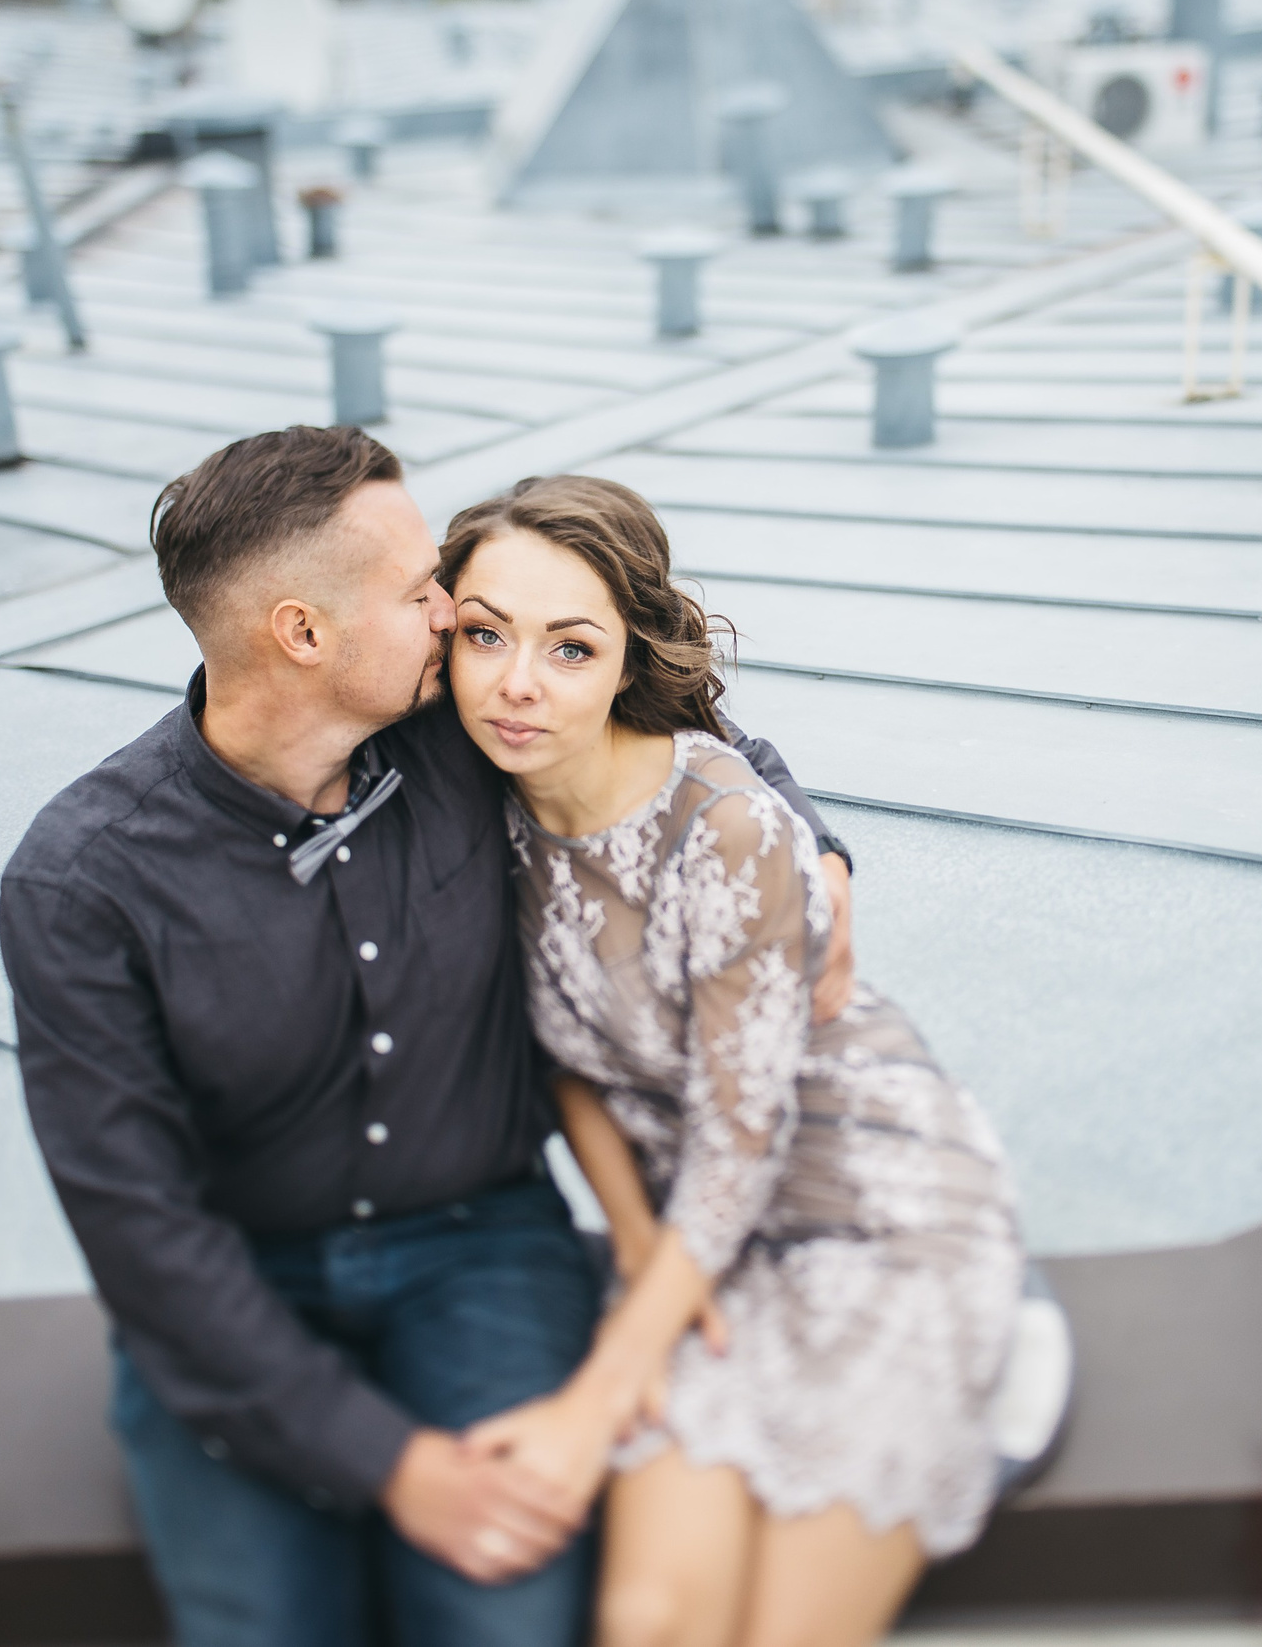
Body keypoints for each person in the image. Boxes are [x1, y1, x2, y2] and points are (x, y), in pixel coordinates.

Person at [0, 427, 855, 1647]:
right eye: (419, 593)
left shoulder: (465, 726)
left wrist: (815, 845)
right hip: (242, 1287)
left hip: (479, 1250)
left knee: (507, 1619)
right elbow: (140, 1232)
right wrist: (397, 1469)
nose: (453, 613)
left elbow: (679, 737)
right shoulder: (83, 884)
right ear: (302, 634)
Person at [436, 475, 1024, 1647]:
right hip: (696, 1240)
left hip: (871, 1209)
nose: (516, 682)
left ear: (623, 663)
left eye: (569, 648)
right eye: (485, 634)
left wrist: (601, 1385)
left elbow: (742, 1136)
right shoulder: (478, 807)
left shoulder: (725, 825)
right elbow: (570, 1069)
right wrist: (644, 1253)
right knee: (649, 1620)